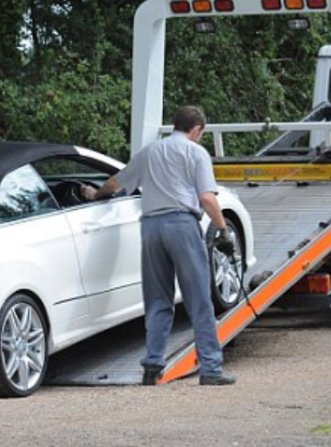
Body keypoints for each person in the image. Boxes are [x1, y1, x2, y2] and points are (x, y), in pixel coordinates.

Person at [82, 106, 237, 386]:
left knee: (157, 300)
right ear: (197, 130)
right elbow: (208, 199)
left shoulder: (150, 152)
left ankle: (152, 367)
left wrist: (95, 194)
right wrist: (223, 230)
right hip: (181, 225)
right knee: (199, 299)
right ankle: (211, 369)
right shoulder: (196, 153)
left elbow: (116, 183)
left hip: (151, 228)